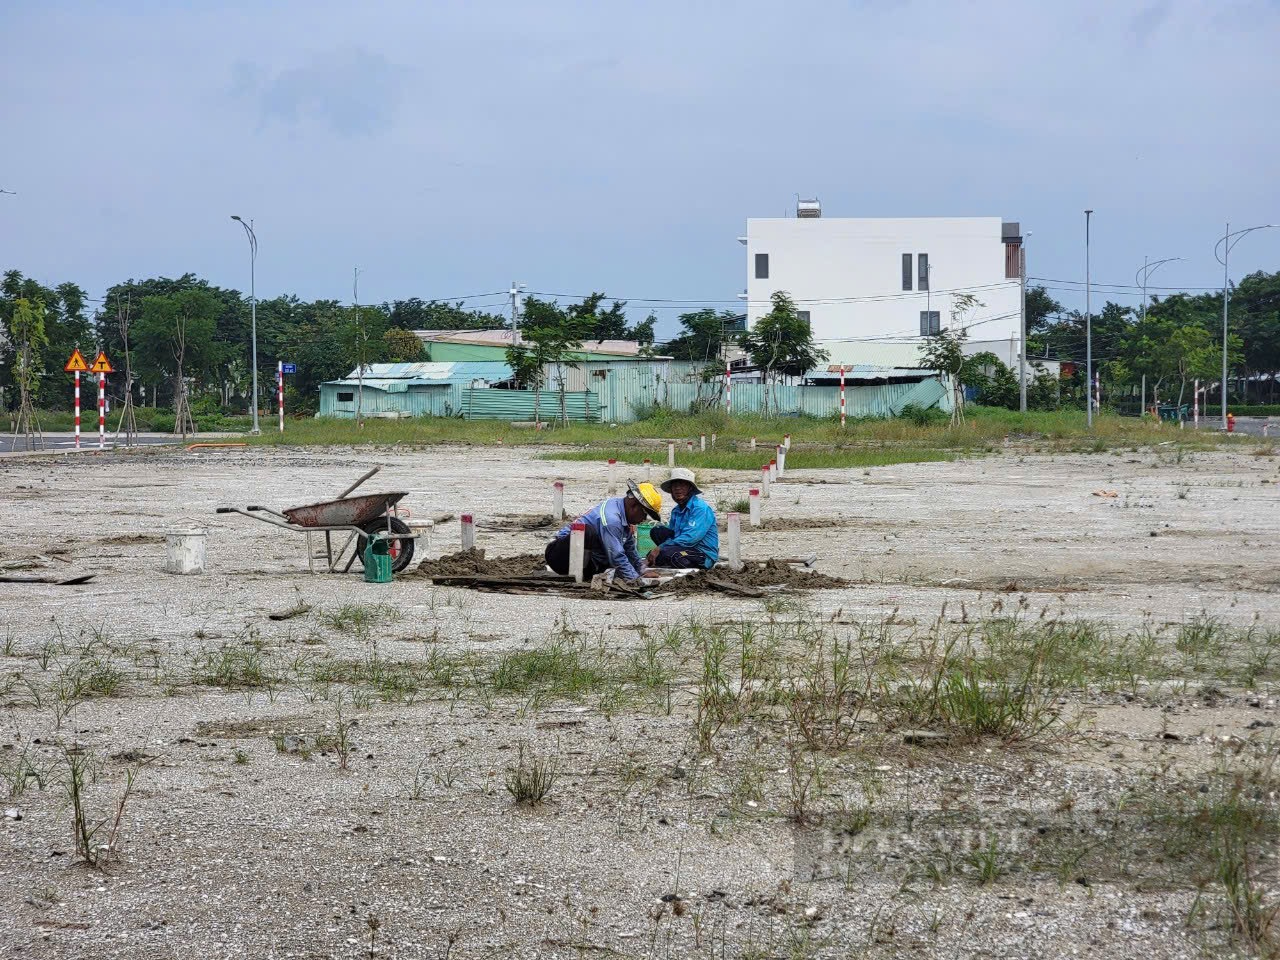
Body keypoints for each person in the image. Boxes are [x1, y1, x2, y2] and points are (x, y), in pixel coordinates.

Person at [545, 480, 663, 581]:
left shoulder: (621, 512)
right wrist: (634, 579)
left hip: (587, 557)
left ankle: (586, 572)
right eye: (645, 514)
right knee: (588, 533)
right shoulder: (612, 519)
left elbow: (629, 548)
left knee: (612, 560)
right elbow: (616, 555)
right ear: (634, 505)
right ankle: (578, 576)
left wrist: (641, 571)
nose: (644, 519)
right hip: (560, 555)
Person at [645, 467, 719, 570]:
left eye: (682, 484)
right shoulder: (676, 510)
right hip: (683, 547)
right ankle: (666, 556)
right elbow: (673, 535)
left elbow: (690, 538)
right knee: (657, 531)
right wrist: (660, 549)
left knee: (671, 555)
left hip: (701, 552)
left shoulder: (700, 509)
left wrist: (661, 548)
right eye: (674, 485)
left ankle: (672, 558)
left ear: (690, 488)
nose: (677, 488)